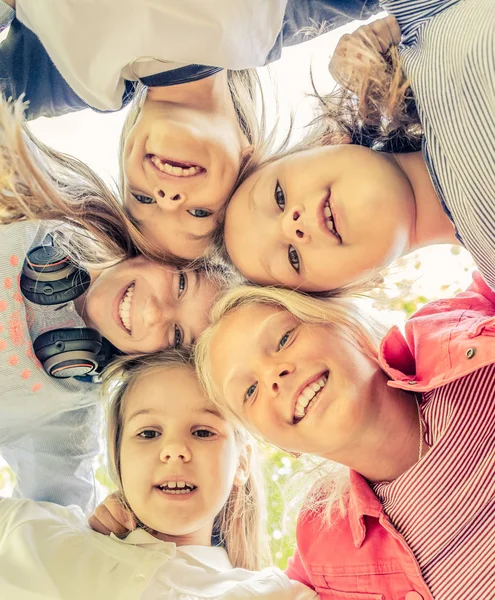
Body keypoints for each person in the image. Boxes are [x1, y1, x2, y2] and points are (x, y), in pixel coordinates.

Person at [0, 1, 382, 260]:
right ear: (249, 163)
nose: (166, 197)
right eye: (199, 212)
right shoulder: (273, 23)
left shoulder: (76, 79)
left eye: (142, 200)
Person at [194, 276, 495, 599]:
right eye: (250, 391)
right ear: (279, 444)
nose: (273, 376)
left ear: (347, 322)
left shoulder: (473, 334)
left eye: (283, 339)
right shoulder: (321, 550)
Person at [0, 97, 227, 513]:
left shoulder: (66, 408)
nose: (157, 311)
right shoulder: (44, 202)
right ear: (156, 248)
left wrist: (118, 528)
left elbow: (57, 509)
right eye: (179, 284)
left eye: (177, 334)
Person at [220, 0, 495, 293]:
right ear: (358, 286)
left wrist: (385, 36)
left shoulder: (420, 27)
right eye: (292, 258)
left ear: (323, 143)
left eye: (279, 196)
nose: (292, 226)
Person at [0, 350, 318, 600]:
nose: (174, 449)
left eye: (203, 432)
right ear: (118, 462)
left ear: (242, 462)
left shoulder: (278, 595)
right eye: (149, 433)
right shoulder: (37, 538)